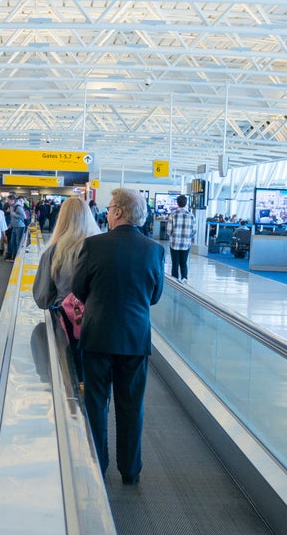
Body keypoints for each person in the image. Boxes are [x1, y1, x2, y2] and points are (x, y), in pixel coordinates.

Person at [71, 187, 165, 485]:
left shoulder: (94, 245)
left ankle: (97, 464)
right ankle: (131, 469)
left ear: (119, 212)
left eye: (110, 208)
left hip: (98, 334)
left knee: (97, 403)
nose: (107, 212)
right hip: (135, 338)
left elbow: (78, 287)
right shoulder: (153, 250)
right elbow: (155, 295)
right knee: (131, 404)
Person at [34, 195, 99, 379]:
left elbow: (42, 298)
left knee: (70, 376)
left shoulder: (53, 252)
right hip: (99, 324)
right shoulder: (101, 250)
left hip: (66, 325)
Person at [166, 194, 197, 281]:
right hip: (186, 244)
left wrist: (173, 235)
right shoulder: (191, 215)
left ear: (177, 203)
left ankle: (175, 281)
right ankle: (184, 278)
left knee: (175, 263)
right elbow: (194, 230)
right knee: (183, 262)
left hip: (174, 243)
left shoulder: (173, 215)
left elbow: (168, 230)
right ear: (186, 203)